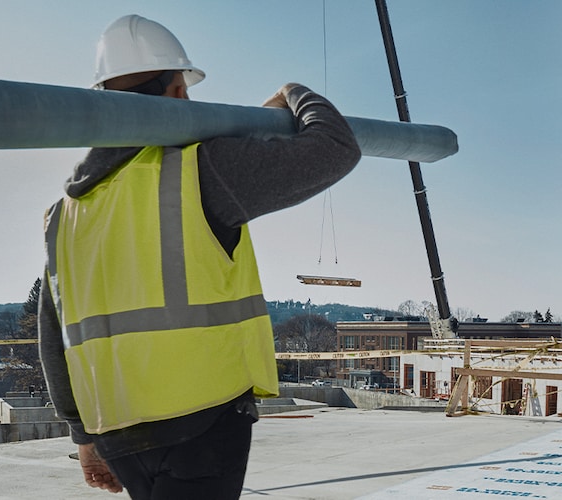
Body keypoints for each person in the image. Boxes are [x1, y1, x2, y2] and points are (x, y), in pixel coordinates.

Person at [38, 14, 361, 499]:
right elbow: (335, 146)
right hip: (203, 422)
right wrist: (292, 91)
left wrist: (83, 437)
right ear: (174, 95)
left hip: (119, 430)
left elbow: (53, 334)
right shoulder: (204, 170)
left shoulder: (64, 214)